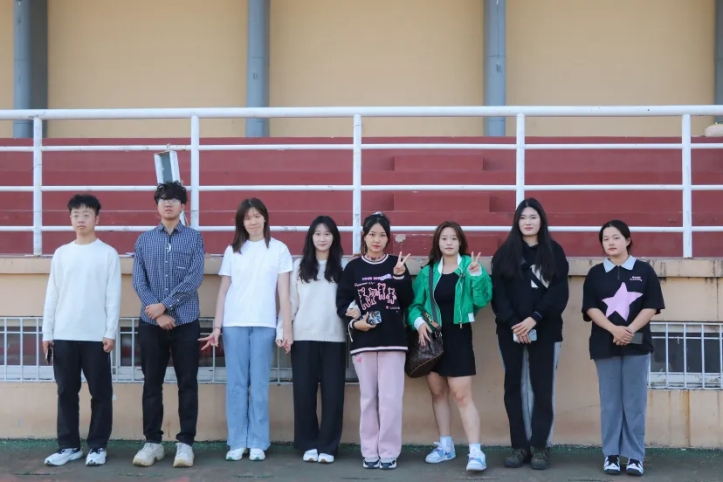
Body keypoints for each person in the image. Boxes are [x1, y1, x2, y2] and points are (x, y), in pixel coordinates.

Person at [199, 198, 293, 462]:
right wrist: (217, 327)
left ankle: (259, 442)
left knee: (260, 385)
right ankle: (237, 441)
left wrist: (286, 328)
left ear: (265, 218)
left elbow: (284, 295)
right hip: (234, 324)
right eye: (247, 218)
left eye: (257, 216)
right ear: (241, 222)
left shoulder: (279, 250)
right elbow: (223, 291)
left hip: (264, 324)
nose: (253, 222)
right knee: (236, 385)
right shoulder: (233, 251)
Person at [41, 194, 121, 467]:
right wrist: (47, 333)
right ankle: (68, 446)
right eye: (75, 214)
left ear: (97, 218)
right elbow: (52, 294)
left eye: (86, 214)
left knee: (100, 393)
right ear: (70, 219)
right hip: (64, 334)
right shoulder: (61, 254)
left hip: (96, 336)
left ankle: (97, 446)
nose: (80, 219)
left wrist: (110, 332)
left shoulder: (108, 254)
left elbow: (113, 296)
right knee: (66, 392)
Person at [407, 221, 493, 472]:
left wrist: (476, 276)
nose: (448, 242)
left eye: (453, 238)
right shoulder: (428, 272)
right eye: (444, 238)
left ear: (460, 242)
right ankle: (446, 446)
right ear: (438, 242)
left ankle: (476, 452)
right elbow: (414, 306)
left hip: (459, 336)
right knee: (438, 393)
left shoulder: (470, 266)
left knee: (462, 396)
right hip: (432, 339)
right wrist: (419, 324)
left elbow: (482, 300)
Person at [490, 198, 569, 470]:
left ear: (541, 220)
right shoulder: (505, 254)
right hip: (510, 331)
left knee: (542, 388)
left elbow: (559, 292)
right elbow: (498, 295)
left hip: (545, 331)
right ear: (517, 222)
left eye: (533, 217)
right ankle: (519, 447)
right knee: (514, 388)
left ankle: (540, 447)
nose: (528, 222)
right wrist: (515, 323)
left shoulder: (554, 252)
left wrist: (534, 319)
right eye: (523, 217)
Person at [582, 220, 664, 477]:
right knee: (610, 403)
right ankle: (611, 455)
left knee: (634, 403)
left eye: (616, 237)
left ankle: (635, 456)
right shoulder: (596, 273)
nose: (611, 243)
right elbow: (590, 307)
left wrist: (628, 331)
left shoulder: (644, 271)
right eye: (606, 239)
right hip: (604, 344)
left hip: (637, 346)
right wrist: (614, 330)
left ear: (627, 240)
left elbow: (651, 305)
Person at [131, 181, 205, 468]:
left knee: (188, 384)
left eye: (174, 199)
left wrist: (165, 305)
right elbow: (139, 281)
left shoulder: (194, 239)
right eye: (163, 199)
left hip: (186, 321)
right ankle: (153, 442)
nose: (168, 203)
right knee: (152, 383)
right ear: (157, 205)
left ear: (183, 205)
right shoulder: (144, 240)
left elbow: (194, 278)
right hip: (151, 323)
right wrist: (157, 313)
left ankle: (185, 444)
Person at [336, 212, 414, 470]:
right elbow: (342, 303)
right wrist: (355, 321)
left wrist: (400, 277)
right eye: (372, 234)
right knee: (368, 398)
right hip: (364, 342)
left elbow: (407, 300)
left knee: (391, 400)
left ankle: (389, 451)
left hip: (393, 342)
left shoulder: (396, 264)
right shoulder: (353, 268)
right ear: (364, 236)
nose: (377, 239)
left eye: (382, 235)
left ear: (388, 238)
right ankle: (369, 451)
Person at [278, 215, 347, 464]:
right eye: (317, 233)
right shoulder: (299, 266)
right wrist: (283, 331)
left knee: (333, 396)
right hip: (303, 337)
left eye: (327, 233)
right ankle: (308, 444)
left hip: (335, 338)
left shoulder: (343, 267)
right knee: (304, 394)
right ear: (311, 237)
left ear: (334, 238)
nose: (322, 238)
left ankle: (328, 446)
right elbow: (290, 303)